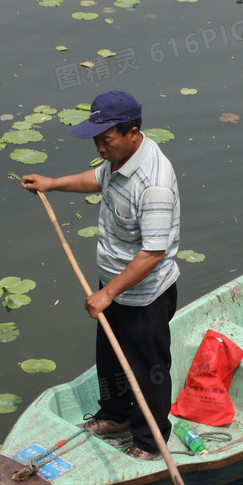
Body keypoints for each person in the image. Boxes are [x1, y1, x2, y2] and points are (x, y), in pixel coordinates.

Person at [21, 91, 180, 461]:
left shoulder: (153, 182)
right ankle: (116, 415)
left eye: (106, 139)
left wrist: (108, 293)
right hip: (113, 284)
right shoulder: (118, 159)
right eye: (97, 139)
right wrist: (52, 183)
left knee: (147, 370)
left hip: (145, 294)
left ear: (133, 133)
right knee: (110, 358)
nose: (99, 147)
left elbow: (153, 253)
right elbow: (97, 179)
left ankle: (150, 440)